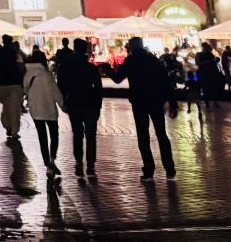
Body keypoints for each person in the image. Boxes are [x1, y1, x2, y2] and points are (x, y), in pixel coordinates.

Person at [113, 36, 176, 180]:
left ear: (131, 47)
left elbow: (118, 79)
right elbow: (165, 81)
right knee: (162, 134)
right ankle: (170, 169)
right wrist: (173, 103)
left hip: (139, 102)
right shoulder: (152, 59)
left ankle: (149, 170)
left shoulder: (131, 61)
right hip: (156, 101)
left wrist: (108, 70)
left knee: (143, 136)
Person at [56, 38, 103, 177]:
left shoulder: (66, 67)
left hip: (74, 103)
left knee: (77, 134)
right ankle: (91, 165)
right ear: (85, 50)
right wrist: (98, 106)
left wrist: (64, 101)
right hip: (90, 103)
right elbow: (98, 88)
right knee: (91, 135)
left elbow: (60, 85)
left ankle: (78, 162)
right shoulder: (90, 67)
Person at [22, 46, 63, 175]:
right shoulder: (47, 74)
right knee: (54, 135)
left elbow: (24, 89)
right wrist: (63, 105)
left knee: (42, 137)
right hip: (49, 109)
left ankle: (47, 164)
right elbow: (56, 93)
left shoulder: (27, 73)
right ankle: (52, 159)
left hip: (35, 109)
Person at [0, 35, 25, 141]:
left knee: (6, 106)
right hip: (14, 84)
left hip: (1, 84)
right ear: (11, 43)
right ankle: (14, 131)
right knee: (14, 109)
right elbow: (21, 68)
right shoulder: (16, 54)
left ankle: (7, 124)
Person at [159, 45, 185, 116]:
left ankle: (169, 104)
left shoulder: (162, 57)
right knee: (170, 91)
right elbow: (175, 65)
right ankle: (173, 105)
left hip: (165, 76)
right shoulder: (170, 56)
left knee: (168, 90)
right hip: (169, 76)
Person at [196, 42, 224, 107]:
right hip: (206, 73)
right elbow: (198, 63)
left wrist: (215, 61)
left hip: (210, 72)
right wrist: (207, 62)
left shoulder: (209, 54)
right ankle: (209, 102)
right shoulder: (200, 54)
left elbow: (213, 62)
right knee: (208, 88)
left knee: (211, 87)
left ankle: (211, 102)